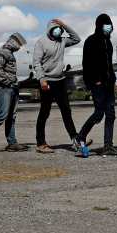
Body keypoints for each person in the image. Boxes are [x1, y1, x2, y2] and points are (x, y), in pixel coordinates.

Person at [33, 19, 82, 154]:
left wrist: (65, 25)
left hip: (60, 80)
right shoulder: (41, 42)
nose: (58, 31)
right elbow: (36, 62)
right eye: (56, 28)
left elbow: (77, 39)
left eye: (60, 29)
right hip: (47, 81)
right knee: (44, 112)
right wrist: (41, 79)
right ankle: (40, 143)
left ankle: (75, 139)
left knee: (66, 111)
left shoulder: (62, 41)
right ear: (49, 29)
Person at [76, 14, 117, 157]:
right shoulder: (91, 41)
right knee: (99, 112)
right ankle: (80, 137)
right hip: (97, 83)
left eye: (110, 24)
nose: (109, 27)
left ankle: (108, 145)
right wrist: (94, 81)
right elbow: (86, 64)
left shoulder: (109, 42)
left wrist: (112, 79)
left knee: (111, 114)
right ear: (99, 25)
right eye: (105, 24)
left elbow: (109, 64)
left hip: (108, 83)